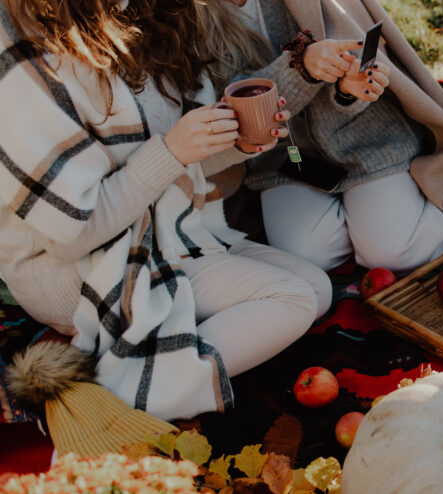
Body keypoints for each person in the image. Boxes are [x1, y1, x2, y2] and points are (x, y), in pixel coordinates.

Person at [0, 0, 332, 420]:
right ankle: (126, 393)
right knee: (294, 299)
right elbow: (73, 234)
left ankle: (149, 343)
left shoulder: (154, 13)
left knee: (317, 290)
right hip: (81, 266)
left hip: (163, 227)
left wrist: (236, 144)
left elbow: (178, 162)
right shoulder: (25, 54)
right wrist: (172, 151)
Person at [204, 0, 443, 274]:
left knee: (391, 252)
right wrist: (300, 68)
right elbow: (234, 107)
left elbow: (358, 59)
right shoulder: (190, 16)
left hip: (364, 139)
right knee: (308, 256)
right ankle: (376, 219)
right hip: (287, 159)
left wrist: (347, 89)